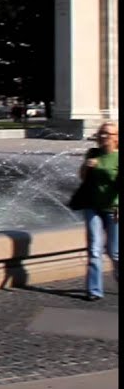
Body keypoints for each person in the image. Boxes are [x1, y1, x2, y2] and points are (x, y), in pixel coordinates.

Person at [79, 121, 119, 301]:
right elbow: (82, 177)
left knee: (114, 252)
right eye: (102, 133)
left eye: (108, 134)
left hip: (113, 208)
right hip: (92, 207)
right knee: (94, 249)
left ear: (116, 138)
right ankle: (94, 291)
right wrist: (87, 166)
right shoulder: (92, 153)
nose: (104, 137)